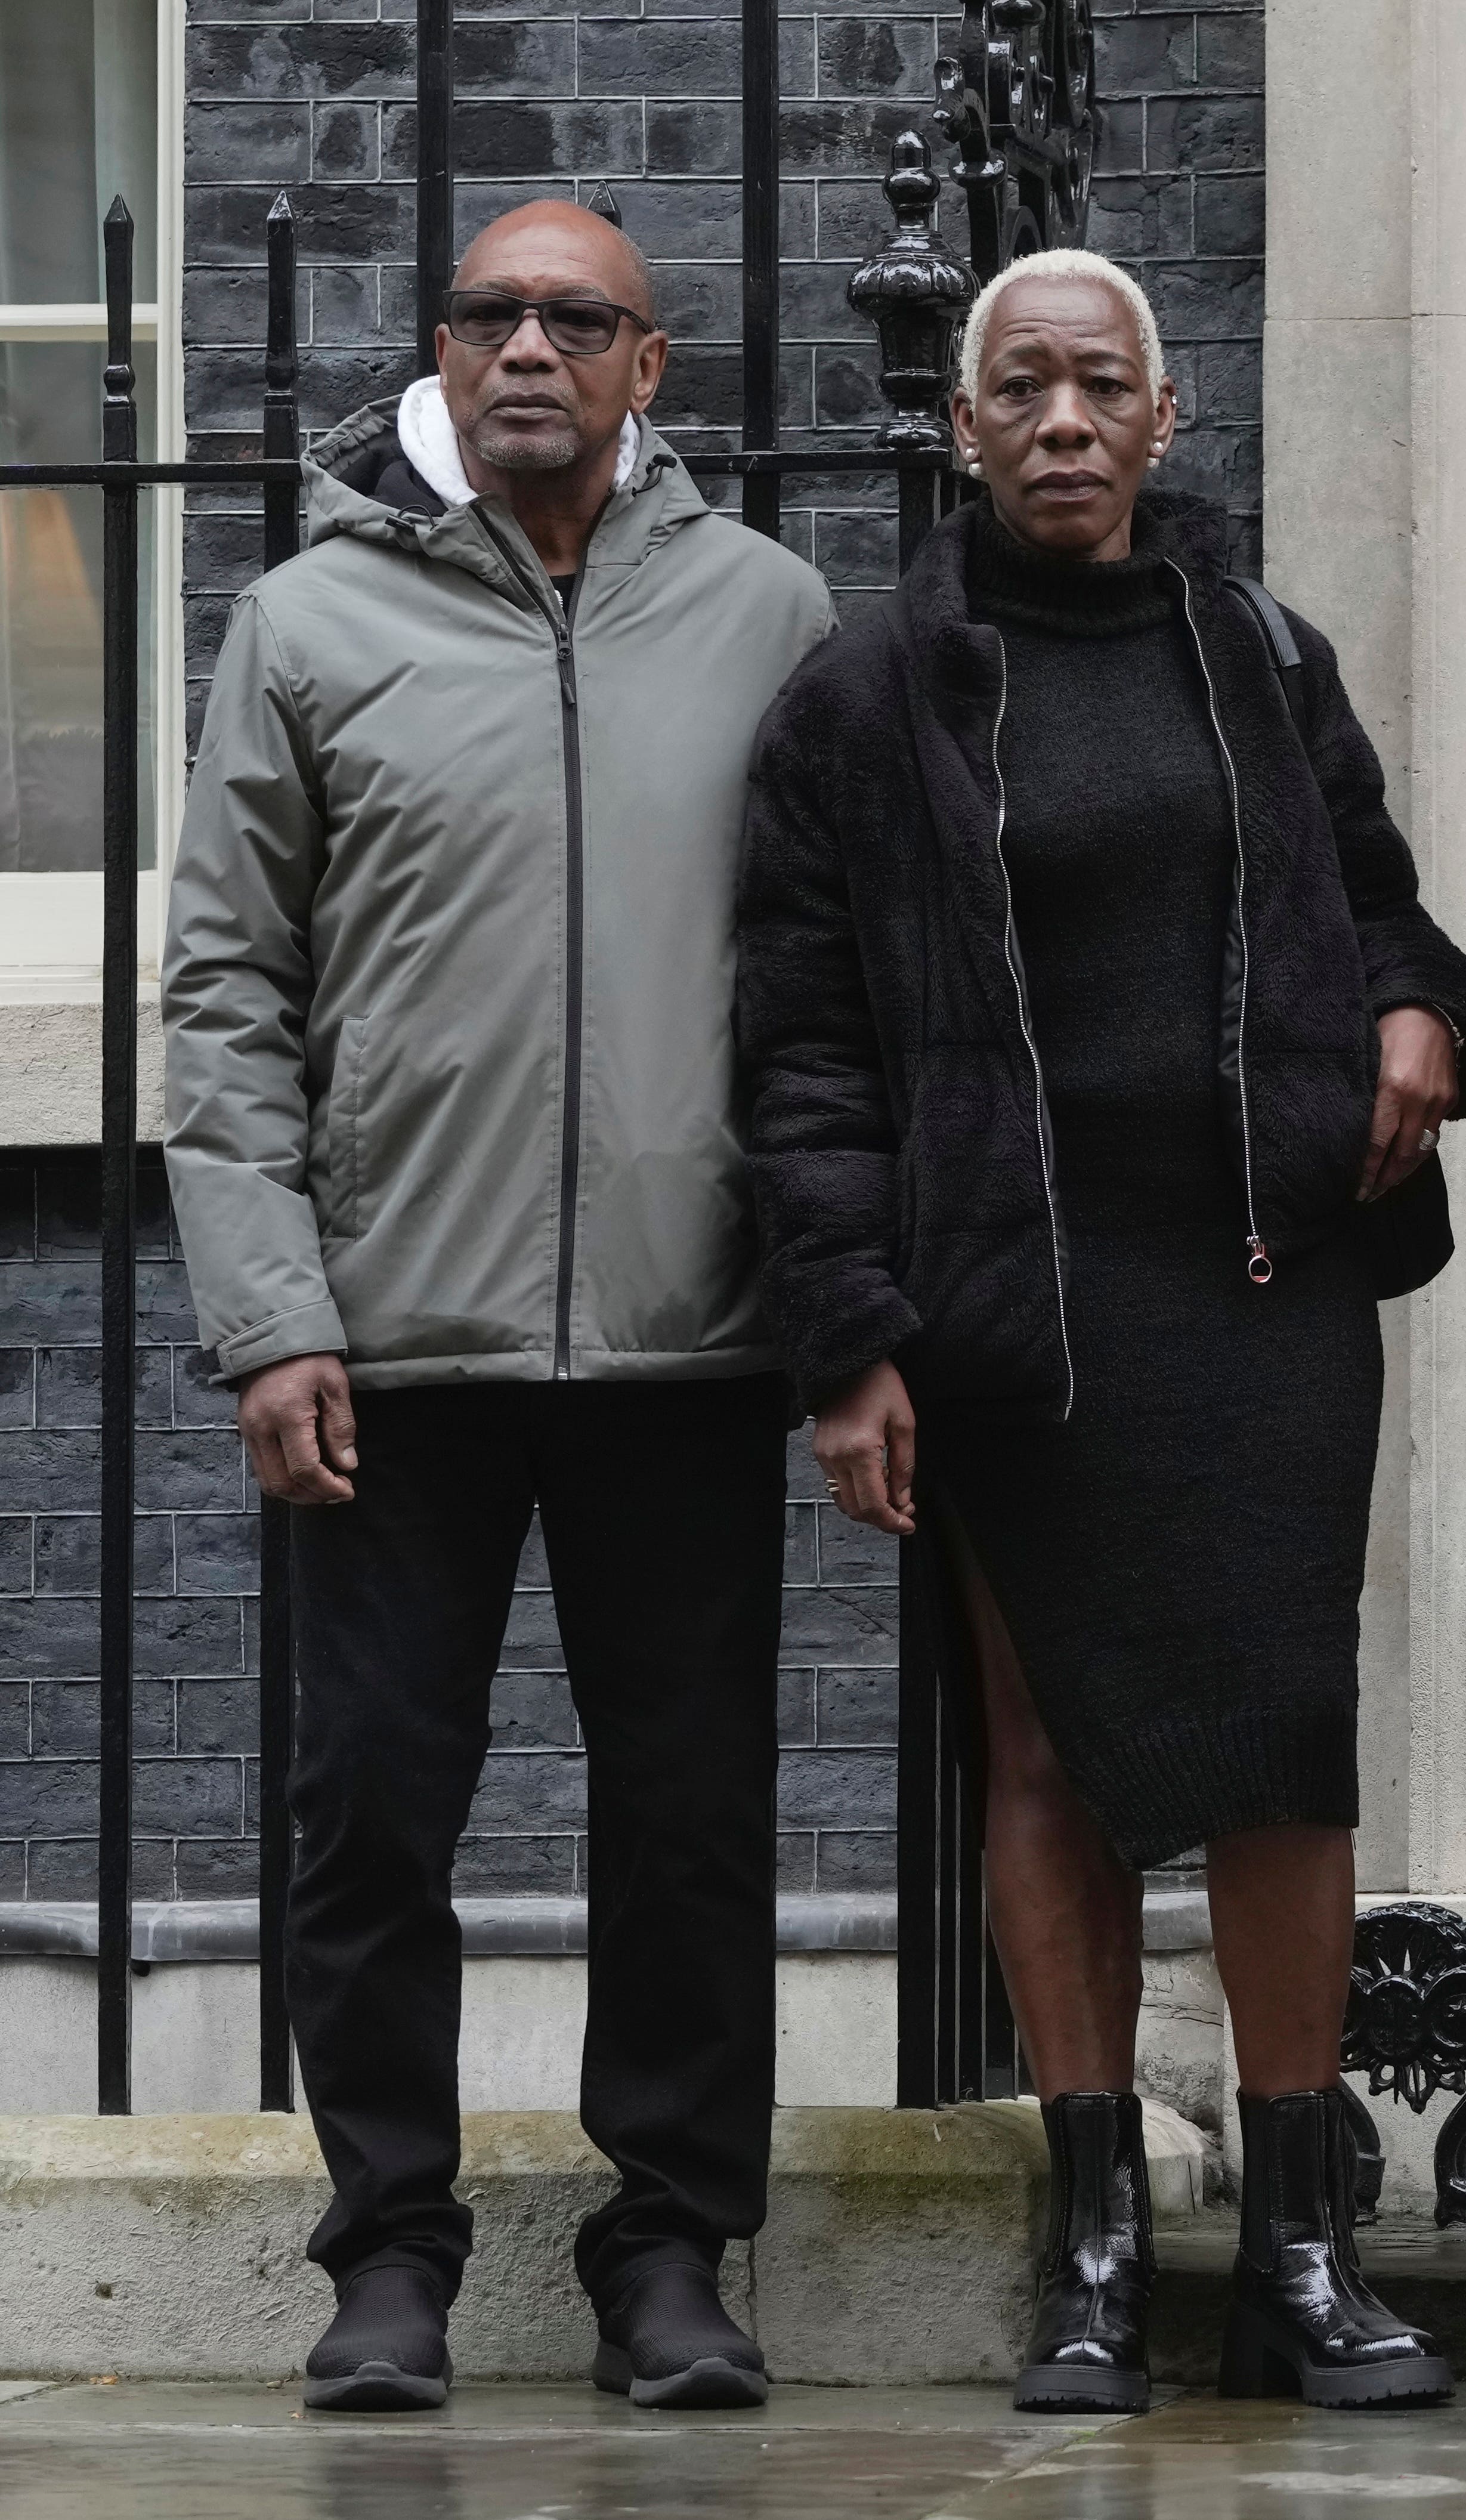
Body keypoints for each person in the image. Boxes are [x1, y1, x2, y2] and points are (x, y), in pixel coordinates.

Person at [739, 247, 1466, 2414]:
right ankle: (1093, 2251)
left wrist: (1429, 1019)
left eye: (1103, 388)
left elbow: (1388, 914)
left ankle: (1295, 2251)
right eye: (1022, 389)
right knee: (1051, 1746)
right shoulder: (866, 689)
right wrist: (846, 1338)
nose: (1064, 422)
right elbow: (801, 1045)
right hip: (1016, 1301)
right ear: (963, 427)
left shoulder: (1257, 649)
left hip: (1262, 1280)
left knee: (1282, 1749)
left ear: (1166, 424)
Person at [166, 201, 834, 2414]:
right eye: (490, 314)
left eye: (578, 318)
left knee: (691, 1815)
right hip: (389, 1341)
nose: (528, 346)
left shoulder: (772, 613)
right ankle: (387, 2258)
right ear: (440, 355)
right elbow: (230, 991)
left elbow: (838, 984)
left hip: (691, 1337)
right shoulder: (306, 621)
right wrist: (271, 1314)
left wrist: (842, 1306)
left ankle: (669, 2250)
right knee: (368, 1810)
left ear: (651, 368)